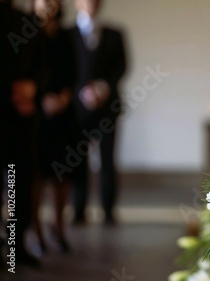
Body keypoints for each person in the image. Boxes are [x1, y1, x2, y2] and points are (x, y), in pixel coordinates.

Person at [69, 0, 126, 225]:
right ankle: (78, 209)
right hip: (77, 109)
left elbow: (122, 66)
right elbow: (65, 68)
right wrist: (80, 92)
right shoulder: (68, 35)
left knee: (108, 160)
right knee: (77, 159)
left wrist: (102, 88)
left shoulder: (114, 33)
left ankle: (109, 210)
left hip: (108, 108)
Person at [0, 0, 47, 266]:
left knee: (18, 184)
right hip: (13, 113)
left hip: (20, 122)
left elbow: (43, 66)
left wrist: (33, 88)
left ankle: (15, 249)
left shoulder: (27, 23)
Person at [32, 0, 76, 253]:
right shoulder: (24, 31)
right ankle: (35, 231)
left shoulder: (65, 35)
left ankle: (58, 228)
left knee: (62, 173)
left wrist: (64, 98)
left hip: (63, 113)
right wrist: (42, 99)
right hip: (35, 114)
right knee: (35, 175)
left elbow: (74, 71)